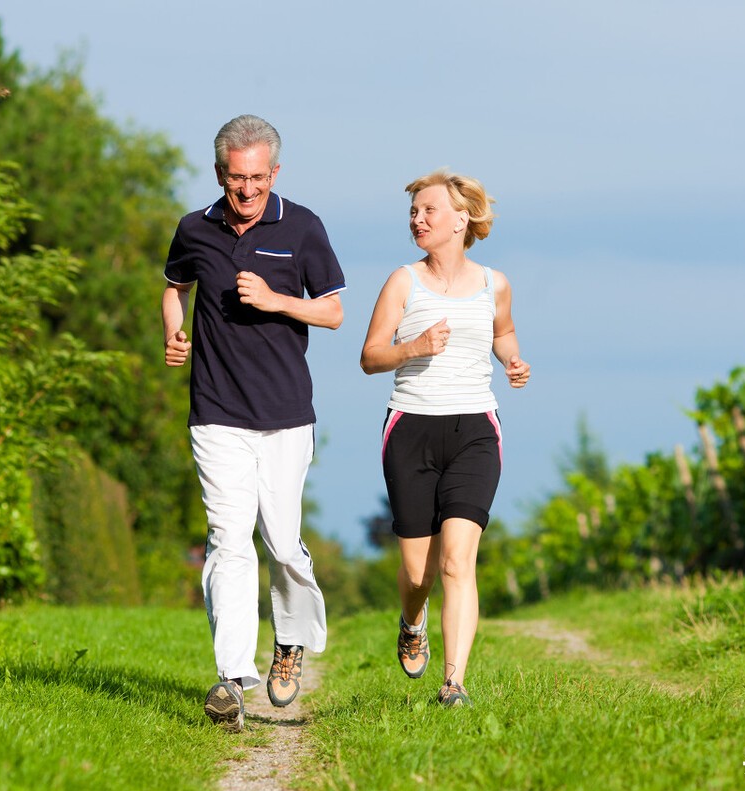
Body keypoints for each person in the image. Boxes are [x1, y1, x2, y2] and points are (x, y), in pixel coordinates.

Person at [162, 114, 346, 732]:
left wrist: (275, 301)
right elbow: (172, 285)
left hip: (286, 415)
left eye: (259, 179)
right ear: (220, 174)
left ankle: (290, 642)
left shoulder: (302, 226)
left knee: (282, 543)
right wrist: (174, 330)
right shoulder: (194, 228)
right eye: (237, 179)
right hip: (216, 413)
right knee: (227, 538)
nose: (247, 191)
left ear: (275, 173)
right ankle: (231, 678)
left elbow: (335, 313)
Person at [360, 169, 530, 707]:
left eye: (428, 210)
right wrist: (415, 347)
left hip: (475, 429)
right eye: (413, 212)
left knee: (458, 559)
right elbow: (370, 356)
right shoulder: (403, 282)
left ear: (462, 219)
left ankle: (453, 683)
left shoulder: (494, 283)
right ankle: (413, 621)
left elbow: (502, 332)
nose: (417, 219)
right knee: (419, 571)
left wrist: (512, 360)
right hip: (411, 427)